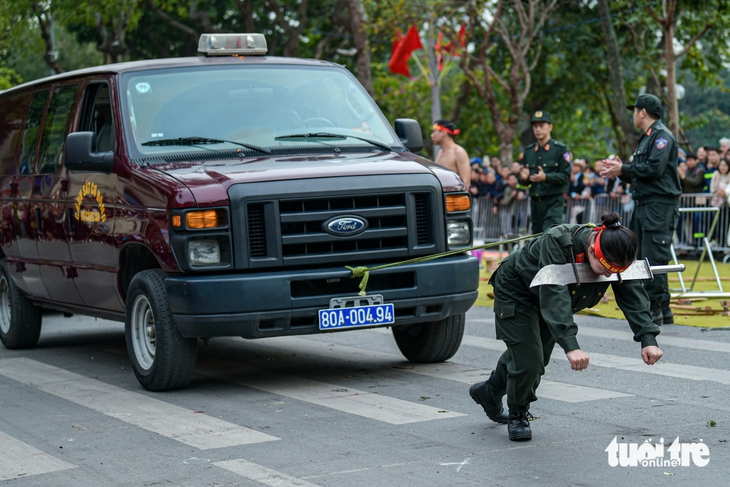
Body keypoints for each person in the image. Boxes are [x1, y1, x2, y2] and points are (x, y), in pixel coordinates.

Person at [469, 212, 663, 441]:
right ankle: (517, 414)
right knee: (529, 358)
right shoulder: (558, 241)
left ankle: (489, 390)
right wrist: (571, 345)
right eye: (605, 269)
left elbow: (632, 292)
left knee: (536, 358)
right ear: (592, 249)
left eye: (615, 271)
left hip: (550, 297)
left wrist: (647, 338)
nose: (610, 275)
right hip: (518, 291)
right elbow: (555, 293)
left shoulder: (618, 248)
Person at [601, 93, 681, 326]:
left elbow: (654, 169)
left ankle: (653, 309)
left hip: (659, 205)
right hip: (647, 203)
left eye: (635, 110)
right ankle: (662, 309)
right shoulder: (647, 138)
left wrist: (624, 169)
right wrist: (621, 170)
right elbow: (642, 173)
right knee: (645, 255)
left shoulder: (660, 137)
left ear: (642, 112)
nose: (634, 115)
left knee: (653, 257)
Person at [519, 111, 572, 233]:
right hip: (536, 203)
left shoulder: (561, 150)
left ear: (550, 127)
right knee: (537, 238)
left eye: (541, 126)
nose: (538, 129)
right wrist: (524, 178)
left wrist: (545, 177)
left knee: (551, 236)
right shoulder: (529, 152)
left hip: (554, 201)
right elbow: (522, 183)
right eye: (535, 126)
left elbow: (565, 176)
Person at [431, 119, 471, 187]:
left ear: (443, 132)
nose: (431, 135)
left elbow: (466, 183)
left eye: (434, 132)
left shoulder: (459, 152)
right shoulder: (440, 153)